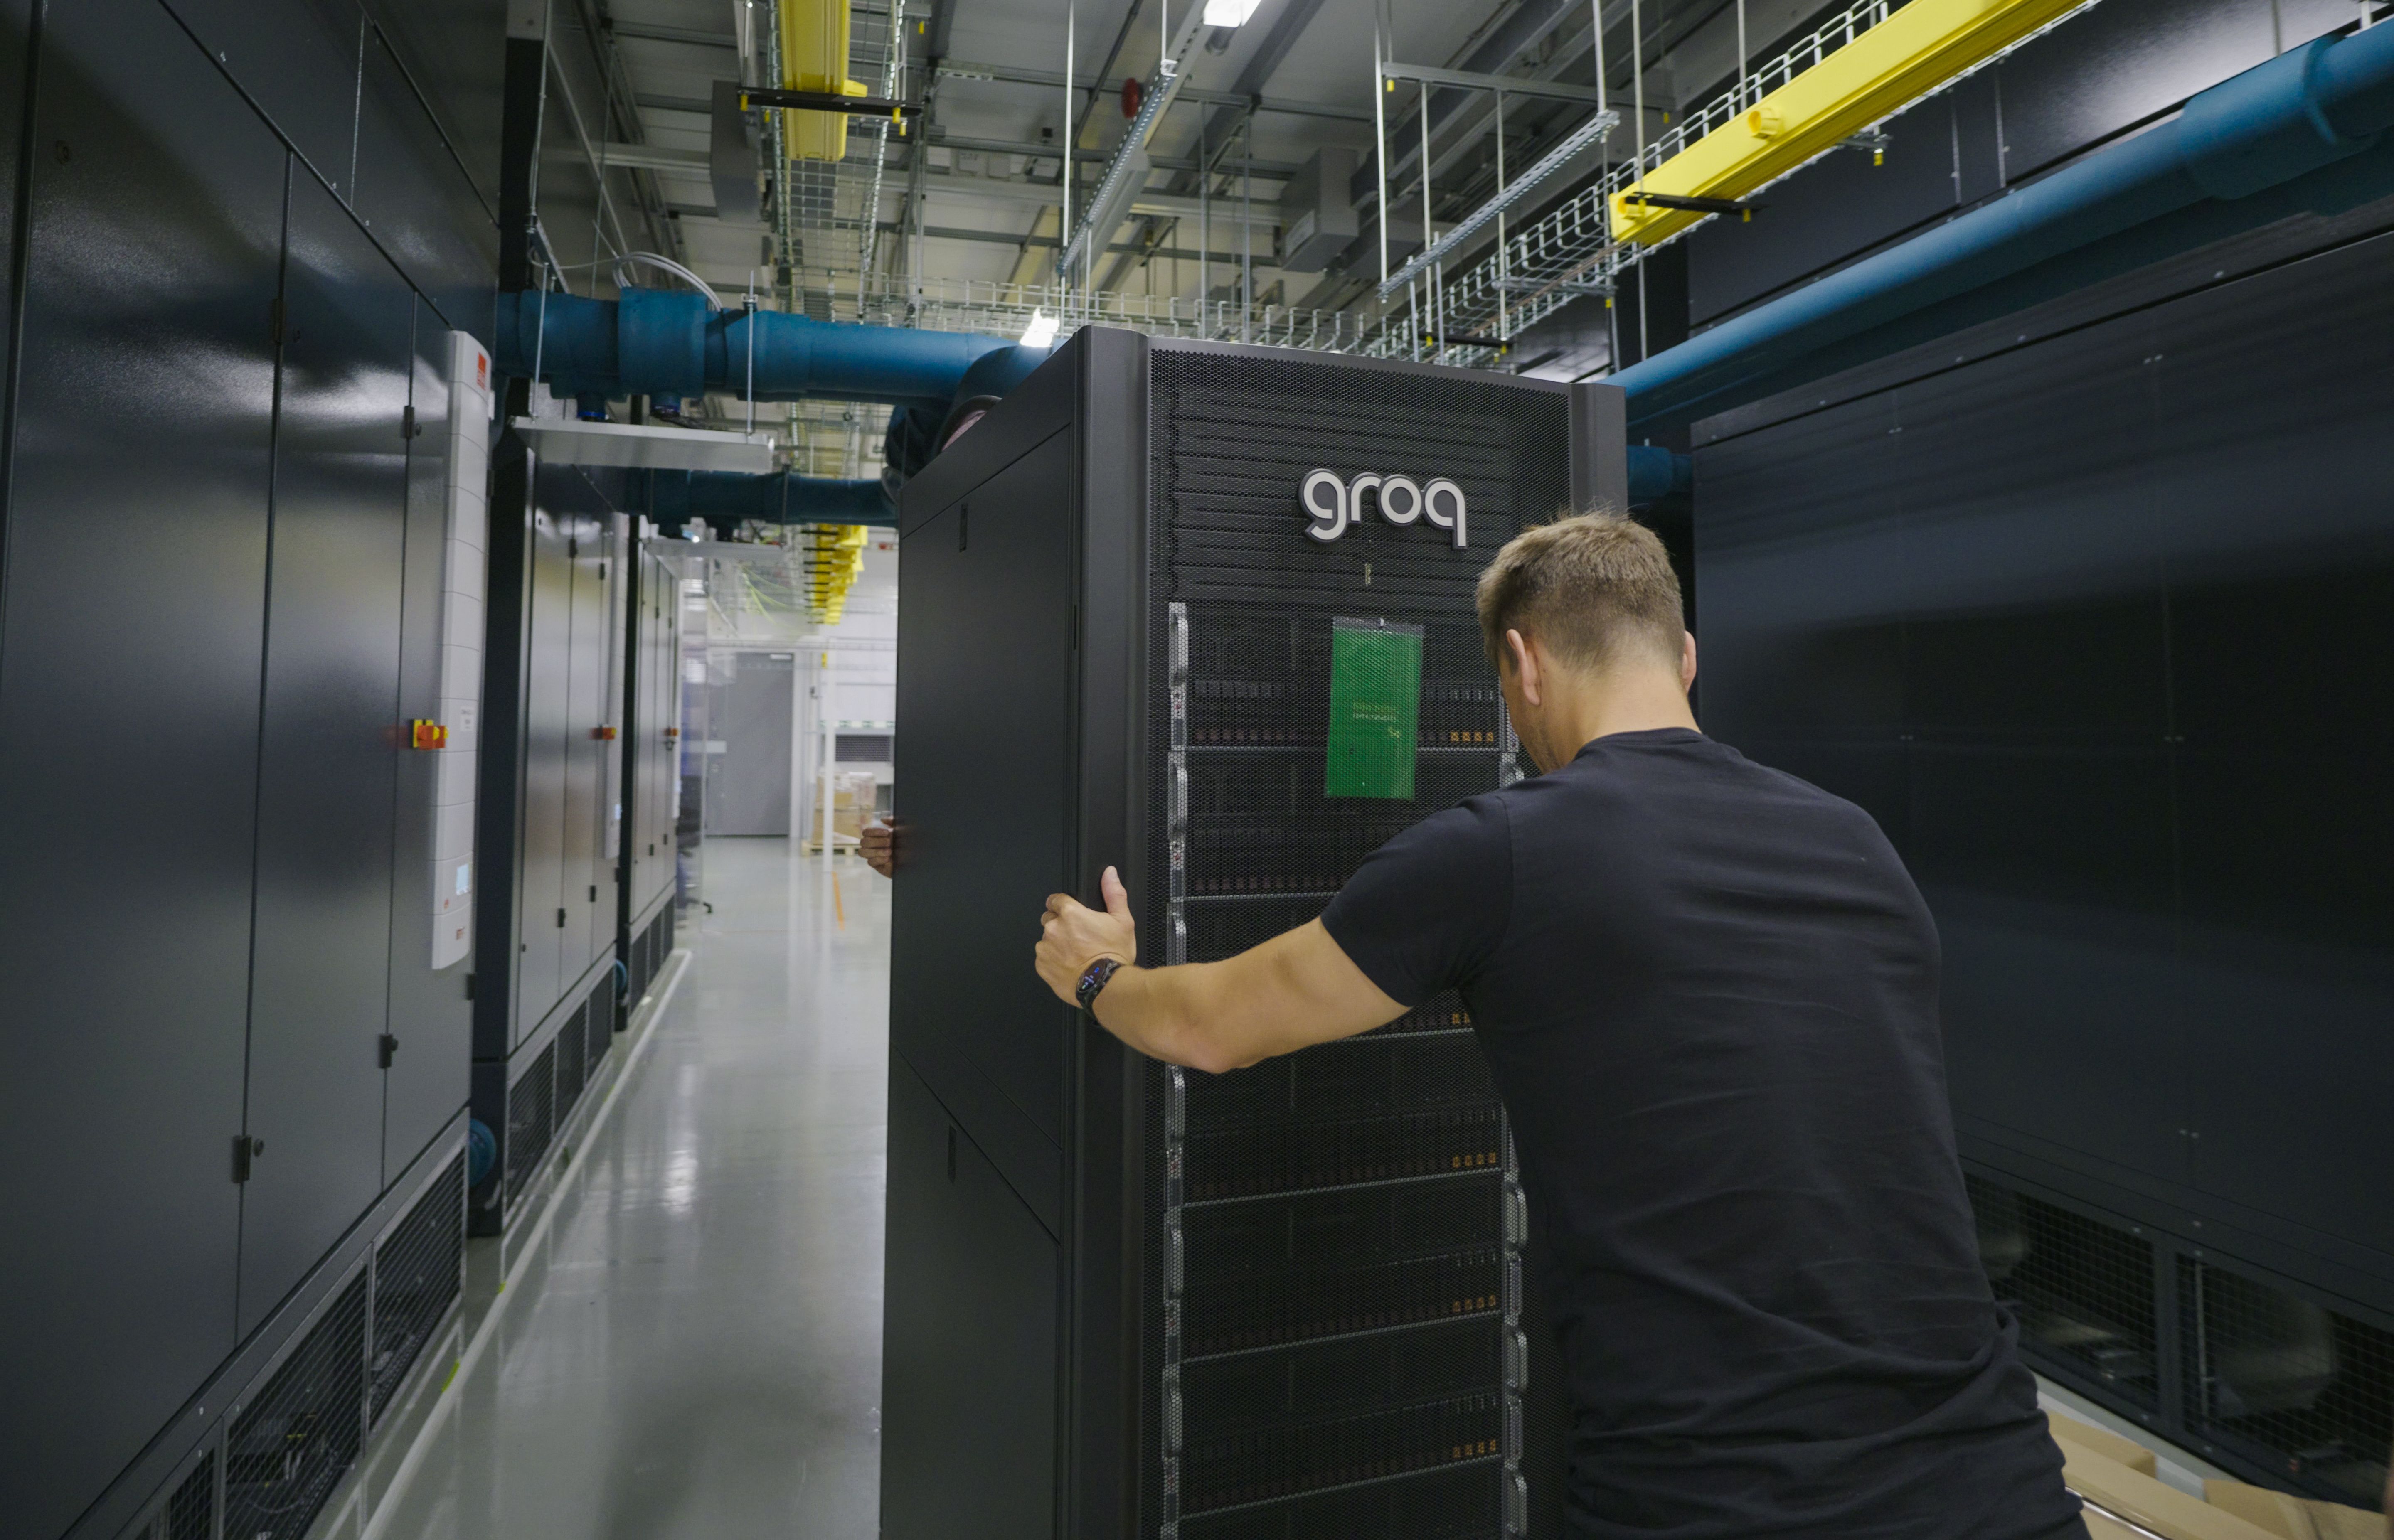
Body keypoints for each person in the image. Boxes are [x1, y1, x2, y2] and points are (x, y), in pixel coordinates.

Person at [873, 512, 2086, 1539]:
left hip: (1720, 1494)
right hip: (1997, 1482)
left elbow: (1215, 1027)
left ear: (1523, 664)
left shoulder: (1504, 850)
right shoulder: (1854, 841)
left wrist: (1097, 973)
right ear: (1687, 658)